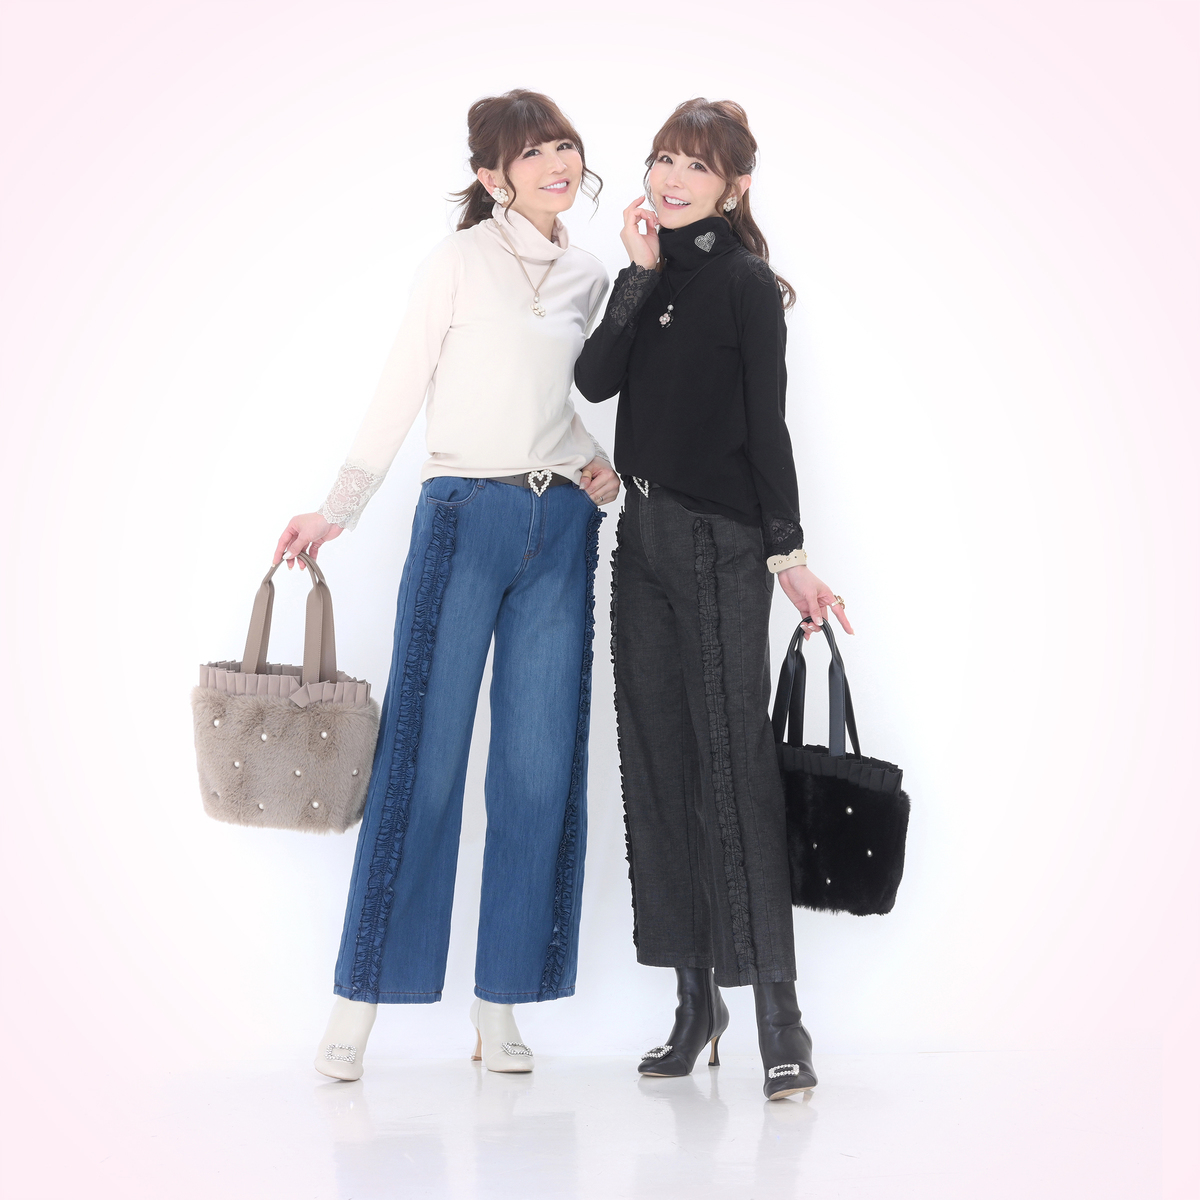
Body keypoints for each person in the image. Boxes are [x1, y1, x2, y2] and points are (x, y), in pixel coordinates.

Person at [275, 90, 620, 1082]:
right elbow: (404, 386)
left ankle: (499, 1005)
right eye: (532, 152)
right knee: (422, 762)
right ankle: (357, 1007)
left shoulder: (591, 274)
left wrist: (593, 463)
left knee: (538, 770)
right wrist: (337, 507)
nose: (556, 163)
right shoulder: (457, 262)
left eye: (564, 145)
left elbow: (556, 397)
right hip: (463, 516)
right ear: (490, 176)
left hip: (560, 524)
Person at [574, 98, 854, 1101]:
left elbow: (766, 427)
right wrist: (638, 274)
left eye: (695, 165)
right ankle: (696, 1005)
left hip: (720, 543)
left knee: (734, 768)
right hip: (642, 538)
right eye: (662, 159)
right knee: (657, 761)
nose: (671, 178)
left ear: (735, 185)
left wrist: (789, 554)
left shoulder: (743, 285)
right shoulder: (650, 276)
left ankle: (781, 1017)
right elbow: (594, 381)